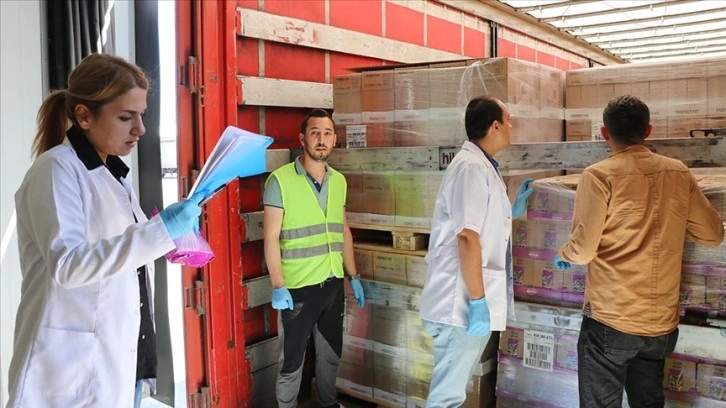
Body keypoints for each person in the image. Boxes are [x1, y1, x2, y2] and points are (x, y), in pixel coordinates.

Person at [6, 53, 202, 408]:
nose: (140, 129)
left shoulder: (112, 174)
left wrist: (166, 239)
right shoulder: (56, 170)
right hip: (71, 373)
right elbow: (69, 264)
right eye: (126, 117)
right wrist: (159, 232)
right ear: (84, 116)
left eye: (141, 115)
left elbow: (119, 251)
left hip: (121, 361)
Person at [554, 94, 724, 408]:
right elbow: (713, 235)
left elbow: (583, 251)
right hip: (660, 327)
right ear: (648, 130)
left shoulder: (598, 175)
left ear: (604, 133)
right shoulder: (678, 173)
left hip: (611, 321)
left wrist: (563, 253)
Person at [419, 96, 533, 407]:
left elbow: (480, 223)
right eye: (508, 121)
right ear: (495, 126)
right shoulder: (471, 167)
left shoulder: (482, 165)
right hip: (459, 306)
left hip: (465, 304)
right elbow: (467, 236)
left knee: (451, 392)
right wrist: (479, 301)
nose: (511, 126)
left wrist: (510, 211)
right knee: (446, 398)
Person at [263, 108, 366, 408]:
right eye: (315, 133)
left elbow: (342, 230)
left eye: (327, 133)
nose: (321, 139)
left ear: (334, 139)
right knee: (292, 360)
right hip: (296, 290)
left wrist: (353, 275)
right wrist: (278, 284)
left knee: (331, 354)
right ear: (302, 139)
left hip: (332, 284)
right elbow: (270, 238)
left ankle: (328, 403)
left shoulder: (339, 181)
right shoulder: (280, 181)